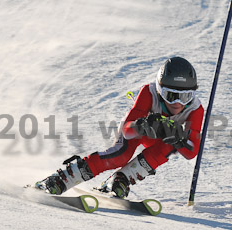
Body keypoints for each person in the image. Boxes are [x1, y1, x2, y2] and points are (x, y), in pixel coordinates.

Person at [35, 56, 204, 198]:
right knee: (121, 155)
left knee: (169, 144)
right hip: (137, 132)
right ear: (160, 90)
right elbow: (127, 131)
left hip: (159, 142)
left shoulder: (195, 109)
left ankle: (121, 179)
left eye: (185, 96)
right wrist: (143, 125)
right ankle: (61, 179)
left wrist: (178, 139)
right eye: (171, 95)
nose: (177, 103)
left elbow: (191, 152)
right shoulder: (149, 92)